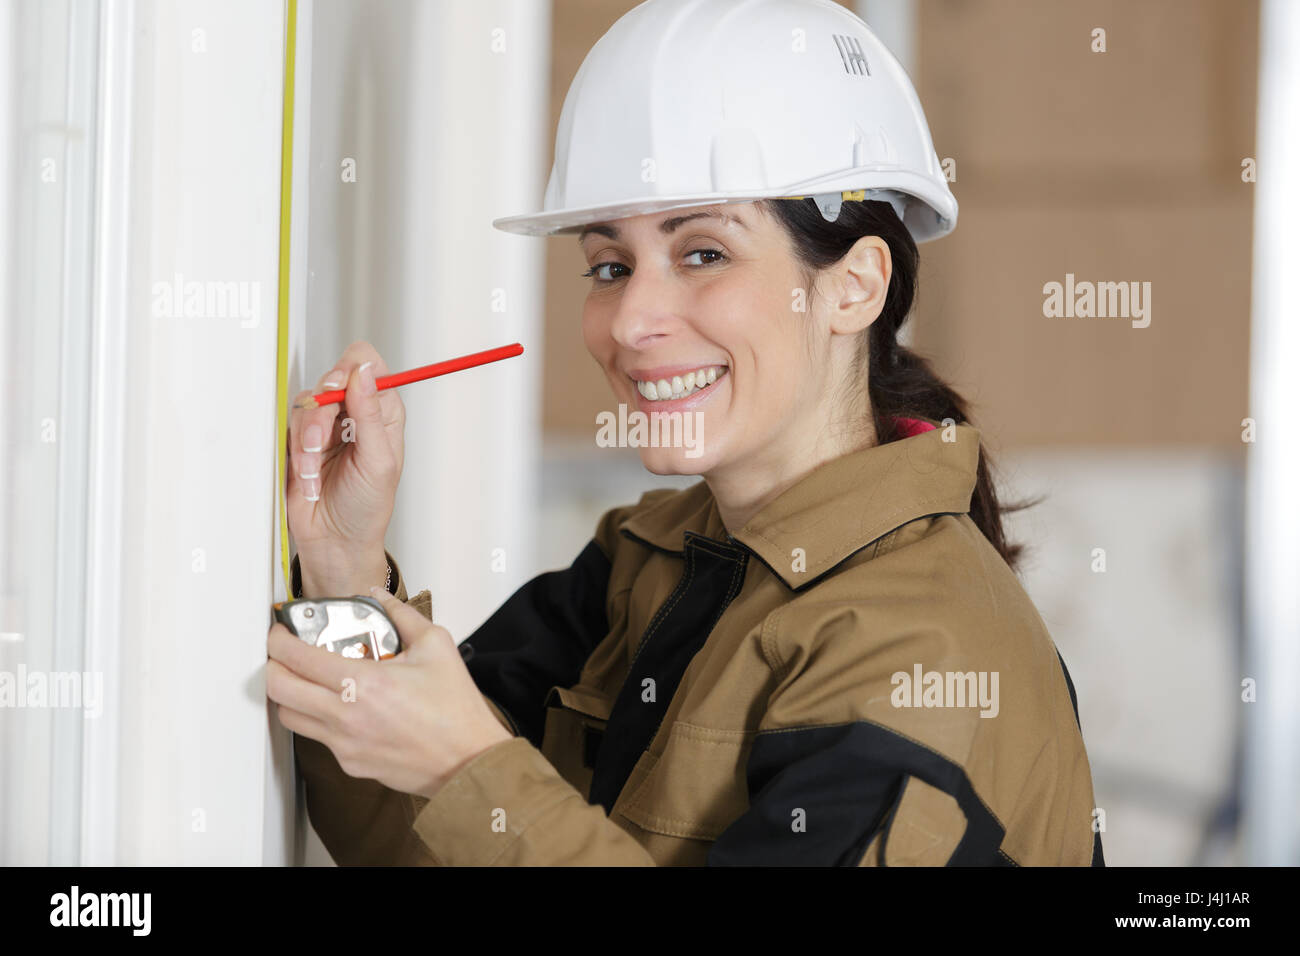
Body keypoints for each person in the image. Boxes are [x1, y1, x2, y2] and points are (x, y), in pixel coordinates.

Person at [266, 0, 1103, 866]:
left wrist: (469, 764)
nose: (631, 320)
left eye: (704, 252)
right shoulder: (648, 560)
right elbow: (417, 848)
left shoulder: (926, 650)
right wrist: (345, 567)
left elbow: (461, 787)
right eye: (609, 266)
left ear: (855, 287)